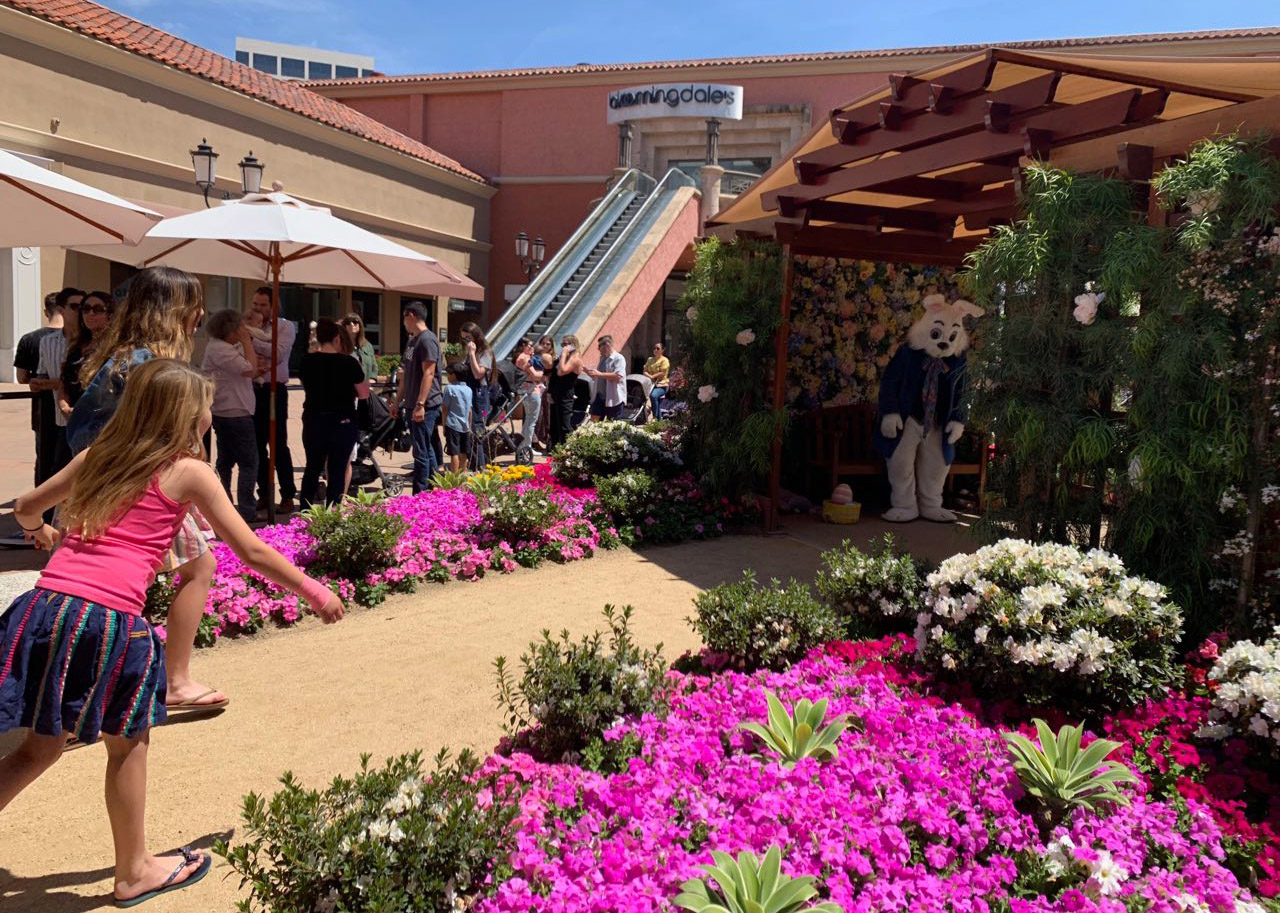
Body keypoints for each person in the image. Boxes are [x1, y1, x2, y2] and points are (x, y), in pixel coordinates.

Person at [0, 358, 344, 907]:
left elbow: (24, 507)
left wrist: (38, 530)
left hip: (46, 608)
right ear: (187, 414)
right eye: (205, 404)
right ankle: (134, 870)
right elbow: (250, 549)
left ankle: (135, 865)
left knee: (38, 750)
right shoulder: (187, 470)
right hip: (110, 619)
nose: (209, 412)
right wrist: (314, 590)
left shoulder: (98, 456)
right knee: (126, 745)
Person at [69, 266, 225, 712]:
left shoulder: (123, 357)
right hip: (143, 489)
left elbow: (82, 433)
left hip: (119, 487)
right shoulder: (149, 365)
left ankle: (110, 684)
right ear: (176, 310)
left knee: (148, 578)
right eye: (195, 303)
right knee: (193, 570)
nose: (200, 313)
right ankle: (172, 680)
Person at [299, 318, 369, 508]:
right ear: (337, 338)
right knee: (337, 470)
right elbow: (364, 393)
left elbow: (307, 386)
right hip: (342, 420)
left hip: (314, 419)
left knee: (312, 467)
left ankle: (304, 512)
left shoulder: (306, 361)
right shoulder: (349, 363)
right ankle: (333, 511)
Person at [201, 309, 261, 522]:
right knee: (248, 462)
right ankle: (245, 509)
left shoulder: (218, 347)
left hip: (225, 411)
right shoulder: (221, 350)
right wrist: (247, 342)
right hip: (235, 412)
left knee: (225, 461)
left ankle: (224, 503)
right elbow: (250, 369)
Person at [247, 286, 297, 515]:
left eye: (262, 305)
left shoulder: (285, 326)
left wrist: (251, 341)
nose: (257, 309)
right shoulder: (248, 326)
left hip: (275, 390)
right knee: (256, 445)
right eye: (255, 304)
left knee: (278, 445)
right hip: (253, 389)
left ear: (273, 306)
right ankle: (264, 495)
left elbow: (278, 354)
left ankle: (287, 495)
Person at [30, 289, 83, 488]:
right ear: (61, 310)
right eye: (75, 307)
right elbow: (43, 372)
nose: (83, 312)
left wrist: (54, 383)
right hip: (57, 416)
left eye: (84, 306)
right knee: (55, 470)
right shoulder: (47, 342)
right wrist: (39, 382)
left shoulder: (94, 341)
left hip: (85, 417)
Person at [57, 290, 112, 469]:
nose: (90, 314)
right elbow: (64, 382)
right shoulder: (76, 346)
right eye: (85, 309)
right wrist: (63, 405)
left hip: (103, 426)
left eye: (98, 309)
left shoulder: (117, 349)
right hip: (74, 423)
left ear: (110, 314)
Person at [394, 303, 441, 493]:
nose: (403, 322)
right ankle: (434, 487)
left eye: (404, 317)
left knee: (421, 451)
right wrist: (398, 402)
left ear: (411, 315)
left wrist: (421, 404)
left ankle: (420, 494)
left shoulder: (427, 340)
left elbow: (429, 373)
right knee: (424, 448)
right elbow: (405, 374)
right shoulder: (412, 341)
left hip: (425, 404)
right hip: (412, 403)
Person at [14, 292, 60, 486]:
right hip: (73, 407)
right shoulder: (79, 339)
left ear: (45, 311)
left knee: (44, 458)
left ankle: (43, 503)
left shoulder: (29, 339)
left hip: (42, 409)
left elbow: (21, 377)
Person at [547, 334, 583, 448]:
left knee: (564, 425)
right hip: (556, 393)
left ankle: (568, 449)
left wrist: (564, 354)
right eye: (562, 344)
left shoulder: (574, 358)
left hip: (565, 394)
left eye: (566, 344)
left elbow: (561, 371)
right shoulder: (564, 358)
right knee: (555, 424)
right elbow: (553, 373)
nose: (563, 347)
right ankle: (556, 448)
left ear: (573, 345)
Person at [512, 337, 544, 453]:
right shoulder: (525, 358)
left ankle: (524, 445)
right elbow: (535, 375)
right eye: (529, 345)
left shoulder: (519, 357)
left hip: (525, 391)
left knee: (528, 420)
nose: (532, 347)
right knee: (531, 421)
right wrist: (543, 373)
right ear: (523, 346)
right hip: (532, 391)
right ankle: (527, 447)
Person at [586, 334, 627, 422]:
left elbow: (618, 376)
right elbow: (598, 376)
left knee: (613, 426)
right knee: (595, 423)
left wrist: (599, 374)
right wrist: (587, 371)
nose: (598, 349)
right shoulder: (602, 359)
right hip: (599, 396)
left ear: (607, 345)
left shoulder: (619, 358)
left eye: (599, 346)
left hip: (613, 398)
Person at [441, 363, 473, 473]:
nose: (448, 376)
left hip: (452, 424)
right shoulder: (469, 390)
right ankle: (463, 475)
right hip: (465, 425)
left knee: (453, 453)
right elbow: (469, 410)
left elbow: (445, 409)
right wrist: (469, 425)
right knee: (463, 452)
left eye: (449, 374)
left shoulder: (449, 388)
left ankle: (454, 478)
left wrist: (444, 425)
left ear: (454, 375)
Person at [343, 313, 378, 381]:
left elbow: (374, 367)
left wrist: (372, 379)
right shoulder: (340, 345)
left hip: (365, 388)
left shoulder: (367, 346)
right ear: (344, 327)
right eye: (348, 322)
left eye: (355, 322)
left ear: (360, 325)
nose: (352, 324)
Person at [644, 342, 670, 420]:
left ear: (662, 350)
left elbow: (662, 373)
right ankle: (659, 421)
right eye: (654, 348)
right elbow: (645, 370)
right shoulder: (650, 359)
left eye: (658, 348)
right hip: (650, 385)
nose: (655, 350)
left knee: (653, 395)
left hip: (662, 385)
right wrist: (650, 376)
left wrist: (653, 376)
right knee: (657, 403)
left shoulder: (664, 360)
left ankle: (654, 416)